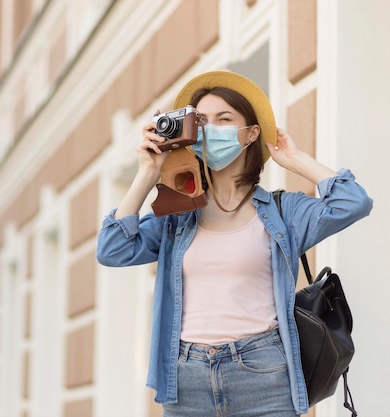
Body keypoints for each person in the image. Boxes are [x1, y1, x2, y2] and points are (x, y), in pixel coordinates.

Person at [96, 71, 373, 416]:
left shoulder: (283, 212)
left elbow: (353, 202)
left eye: (223, 120)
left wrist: (296, 159)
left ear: (251, 133)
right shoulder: (179, 216)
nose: (210, 130)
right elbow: (111, 250)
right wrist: (147, 174)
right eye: (202, 122)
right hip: (187, 379)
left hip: (263, 373)